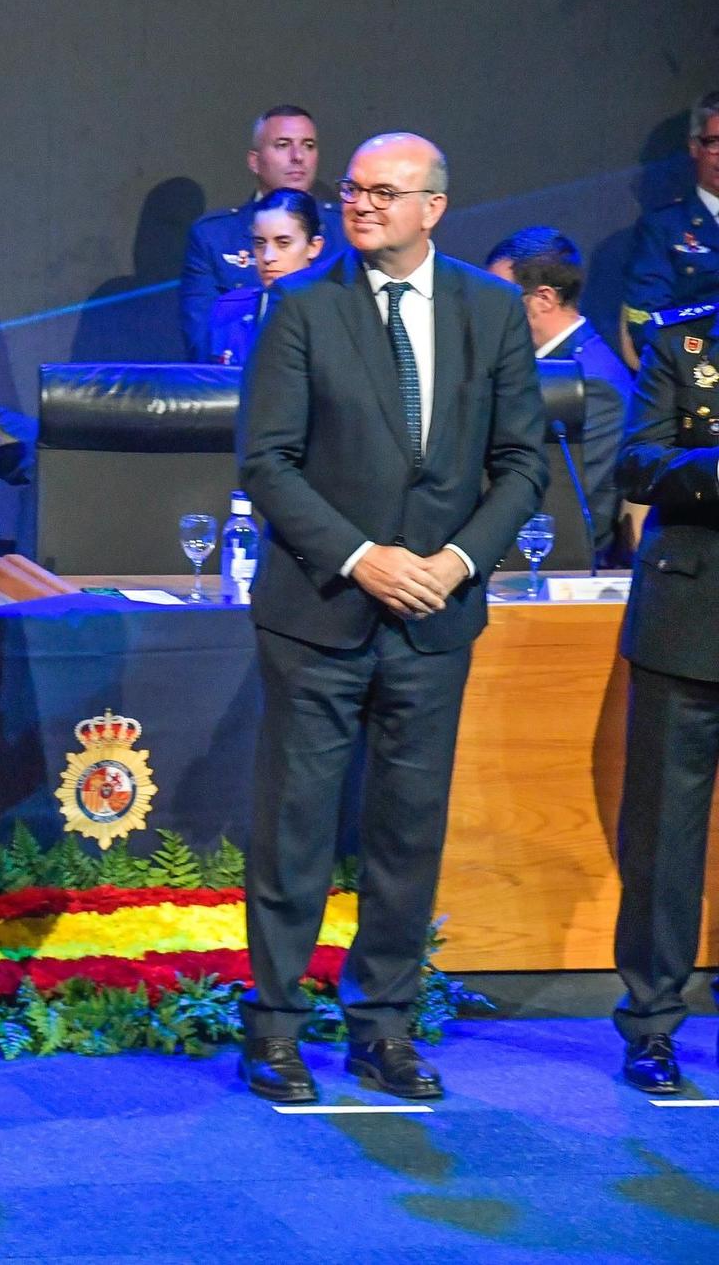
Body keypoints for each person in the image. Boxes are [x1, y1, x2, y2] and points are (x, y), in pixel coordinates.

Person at [237, 133, 548, 1104]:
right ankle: (276, 1032)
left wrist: (456, 563)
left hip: (434, 620)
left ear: (432, 207)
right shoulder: (298, 306)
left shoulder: (490, 309)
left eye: (383, 192)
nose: (359, 205)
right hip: (319, 612)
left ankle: (382, 1028)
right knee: (294, 829)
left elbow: (523, 464)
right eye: (352, 191)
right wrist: (362, 556)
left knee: (406, 834)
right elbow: (265, 463)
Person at [604, 295, 719, 1095]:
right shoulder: (684, 339)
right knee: (664, 837)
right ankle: (651, 1022)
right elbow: (637, 460)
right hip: (691, 613)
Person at [486, 227, 636, 563]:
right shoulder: (556, 364)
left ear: (543, 299)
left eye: (498, 296)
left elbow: (566, 497)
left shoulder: (592, 381)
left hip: (556, 566)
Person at [180, 105, 346, 360]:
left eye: (308, 145)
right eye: (282, 144)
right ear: (254, 161)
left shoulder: (345, 228)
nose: (298, 156)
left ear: (315, 245)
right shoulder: (215, 235)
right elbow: (203, 345)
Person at [622, 90, 719, 364]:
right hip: (700, 375)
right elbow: (648, 320)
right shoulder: (663, 227)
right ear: (694, 147)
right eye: (715, 143)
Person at [203, 189, 326, 366]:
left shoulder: (337, 314)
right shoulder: (229, 309)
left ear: (314, 246)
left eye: (283, 243)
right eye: (260, 243)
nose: (268, 257)